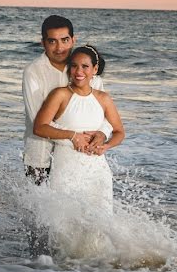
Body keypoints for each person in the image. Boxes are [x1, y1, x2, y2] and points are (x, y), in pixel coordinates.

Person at [34, 46, 125, 222]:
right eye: (74, 66)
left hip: (98, 171)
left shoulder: (103, 98)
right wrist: (72, 135)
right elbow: (39, 127)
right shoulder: (60, 94)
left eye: (85, 66)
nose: (78, 71)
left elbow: (120, 132)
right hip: (66, 168)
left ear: (95, 70)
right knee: (64, 225)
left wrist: (105, 144)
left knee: (100, 225)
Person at [22, 15, 112, 186]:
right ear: (43, 43)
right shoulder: (33, 72)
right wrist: (73, 137)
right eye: (52, 41)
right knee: (38, 211)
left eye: (64, 40)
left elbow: (104, 113)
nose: (59, 47)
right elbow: (38, 121)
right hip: (41, 157)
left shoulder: (86, 71)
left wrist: (102, 133)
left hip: (81, 158)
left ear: (73, 40)